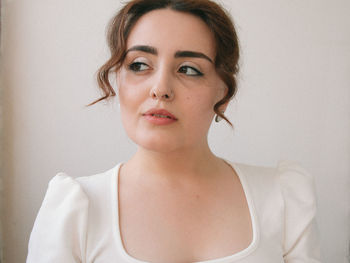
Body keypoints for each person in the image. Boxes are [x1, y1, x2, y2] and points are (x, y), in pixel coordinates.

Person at [27, 0, 321, 262]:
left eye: (188, 69)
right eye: (140, 65)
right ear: (118, 79)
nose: (160, 89)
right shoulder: (76, 209)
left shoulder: (283, 200)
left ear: (224, 91)